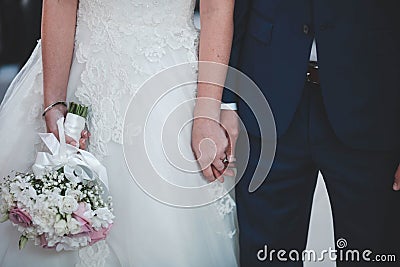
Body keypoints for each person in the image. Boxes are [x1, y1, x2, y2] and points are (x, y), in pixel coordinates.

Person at [0, 0, 238, 266]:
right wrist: (54, 103)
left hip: (168, 83)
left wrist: (206, 114)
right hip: (80, 70)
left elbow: (216, 9)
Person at [192, 0, 400, 266]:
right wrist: (228, 99)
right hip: (266, 98)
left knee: (375, 255)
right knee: (266, 257)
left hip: (374, 105)